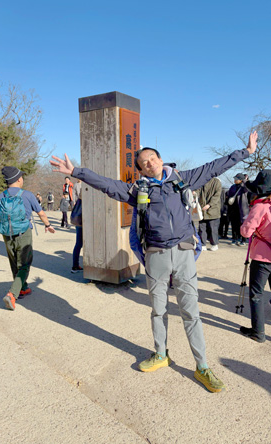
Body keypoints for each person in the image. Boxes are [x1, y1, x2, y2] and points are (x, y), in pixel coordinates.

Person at [50, 131, 258, 393]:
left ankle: (202, 365)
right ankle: (161, 354)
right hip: (156, 254)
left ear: (161, 160)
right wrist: (77, 172)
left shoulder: (182, 179)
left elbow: (215, 166)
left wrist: (246, 152)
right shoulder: (138, 189)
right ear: (140, 169)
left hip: (183, 252)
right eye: (143, 162)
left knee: (190, 312)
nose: (149, 163)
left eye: (151, 158)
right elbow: (107, 185)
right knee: (158, 309)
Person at [0, 166, 55, 310]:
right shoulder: (27, 195)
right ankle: (12, 294)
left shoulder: (1, 196)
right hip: (23, 233)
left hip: (6, 234)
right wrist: (48, 225)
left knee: (14, 263)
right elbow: (41, 213)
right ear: (19, 179)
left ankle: (23, 288)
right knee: (24, 264)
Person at [239, 169, 271, 343]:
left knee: (257, 294)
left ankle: (258, 332)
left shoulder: (260, 206)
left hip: (263, 257)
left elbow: (245, 232)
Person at [197, 177, 222, 251]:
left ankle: (214, 244)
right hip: (202, 209)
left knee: (213, 228)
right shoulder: (201, 180)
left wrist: (209, 204)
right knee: (202, 228)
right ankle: (203, 244)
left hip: (213, 209)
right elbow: (198, 191)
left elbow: (217, 195)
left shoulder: (217, 182)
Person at [228, 173, 250, 246]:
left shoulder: (245, 187)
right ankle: (235, 238)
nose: (234, 180)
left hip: (243, 209)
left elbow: (247, 190)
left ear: (241, 180)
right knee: (234, 225)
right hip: (234, 209)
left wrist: (244, 181)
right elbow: (228, 195)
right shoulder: (233, 187)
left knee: (243, 224)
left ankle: (243, 240)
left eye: (236, 179)